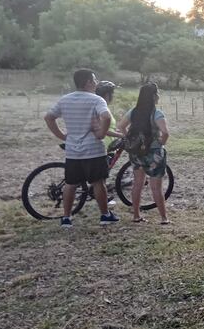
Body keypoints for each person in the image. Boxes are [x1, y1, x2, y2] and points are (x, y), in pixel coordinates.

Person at [44, 69, 119, 228]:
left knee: (71, 184)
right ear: (88, 83)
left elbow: (49, 117)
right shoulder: (97, 100)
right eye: (94, 80)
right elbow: (105, 117)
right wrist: (101, 134)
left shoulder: (65, 100)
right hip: (93, 149)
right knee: (98, 183)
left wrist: (62, 135)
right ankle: (105, 215)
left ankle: (66, 218)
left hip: (73, 151)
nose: (96, 82)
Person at [117, 82, 171, 224]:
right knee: (156, 187)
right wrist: (161, 142)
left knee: (137, 184)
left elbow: (121, 126)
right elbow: (165, 132)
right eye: (157, 93)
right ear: (153, 96)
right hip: (154, 154)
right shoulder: (157, 114)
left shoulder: (133, 111)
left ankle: (136, 215)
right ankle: (164, 218)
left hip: (136, 153)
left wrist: (129, 137)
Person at [95, 81, 124, 207]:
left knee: (102, 174)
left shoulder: (101, 106)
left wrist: (118, 131)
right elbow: (104, 130)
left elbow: (109, 127)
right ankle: (102, 199)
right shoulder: (101, 107)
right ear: (107, 95)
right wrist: (121, 135)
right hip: (103, 146)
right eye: (112, 93)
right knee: (101, 177)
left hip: (106, 145)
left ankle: (98, 195)